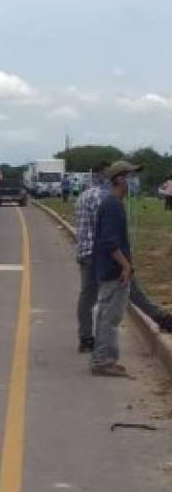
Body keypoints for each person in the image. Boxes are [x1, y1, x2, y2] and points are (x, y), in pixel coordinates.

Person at [90, 161, 142, 377]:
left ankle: (105, 359)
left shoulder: (113, 203)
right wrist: (126, 266)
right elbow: (110, 242)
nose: (134, 181)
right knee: (110, 318)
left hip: (109, 269)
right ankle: (103, 362)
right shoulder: (112, 206)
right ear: (119, 179)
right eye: (131, 176)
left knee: (107, 317)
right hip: (113, 271)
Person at [74, 161, 110, 353]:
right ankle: (161, 318)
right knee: (118, 294)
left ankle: (85, 338)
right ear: (103, 175)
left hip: (84, 252)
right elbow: (104, 228)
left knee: (86, 297)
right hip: (98, 254)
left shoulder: (83, 196)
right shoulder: (101, 197)